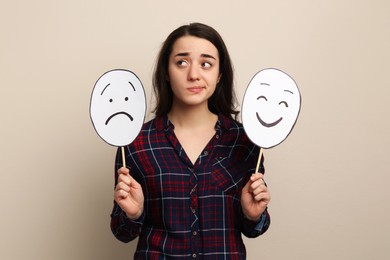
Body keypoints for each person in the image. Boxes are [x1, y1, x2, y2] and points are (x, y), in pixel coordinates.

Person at [110, 22, 271, 259]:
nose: (194, 74)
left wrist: (253, 215)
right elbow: (121, 232)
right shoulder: (136, 143)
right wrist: (134, 214)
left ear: (219, 75)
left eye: (206, 64)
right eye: (181, 62)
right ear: (166, 71)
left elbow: (254, 229)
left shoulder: (245, 142)